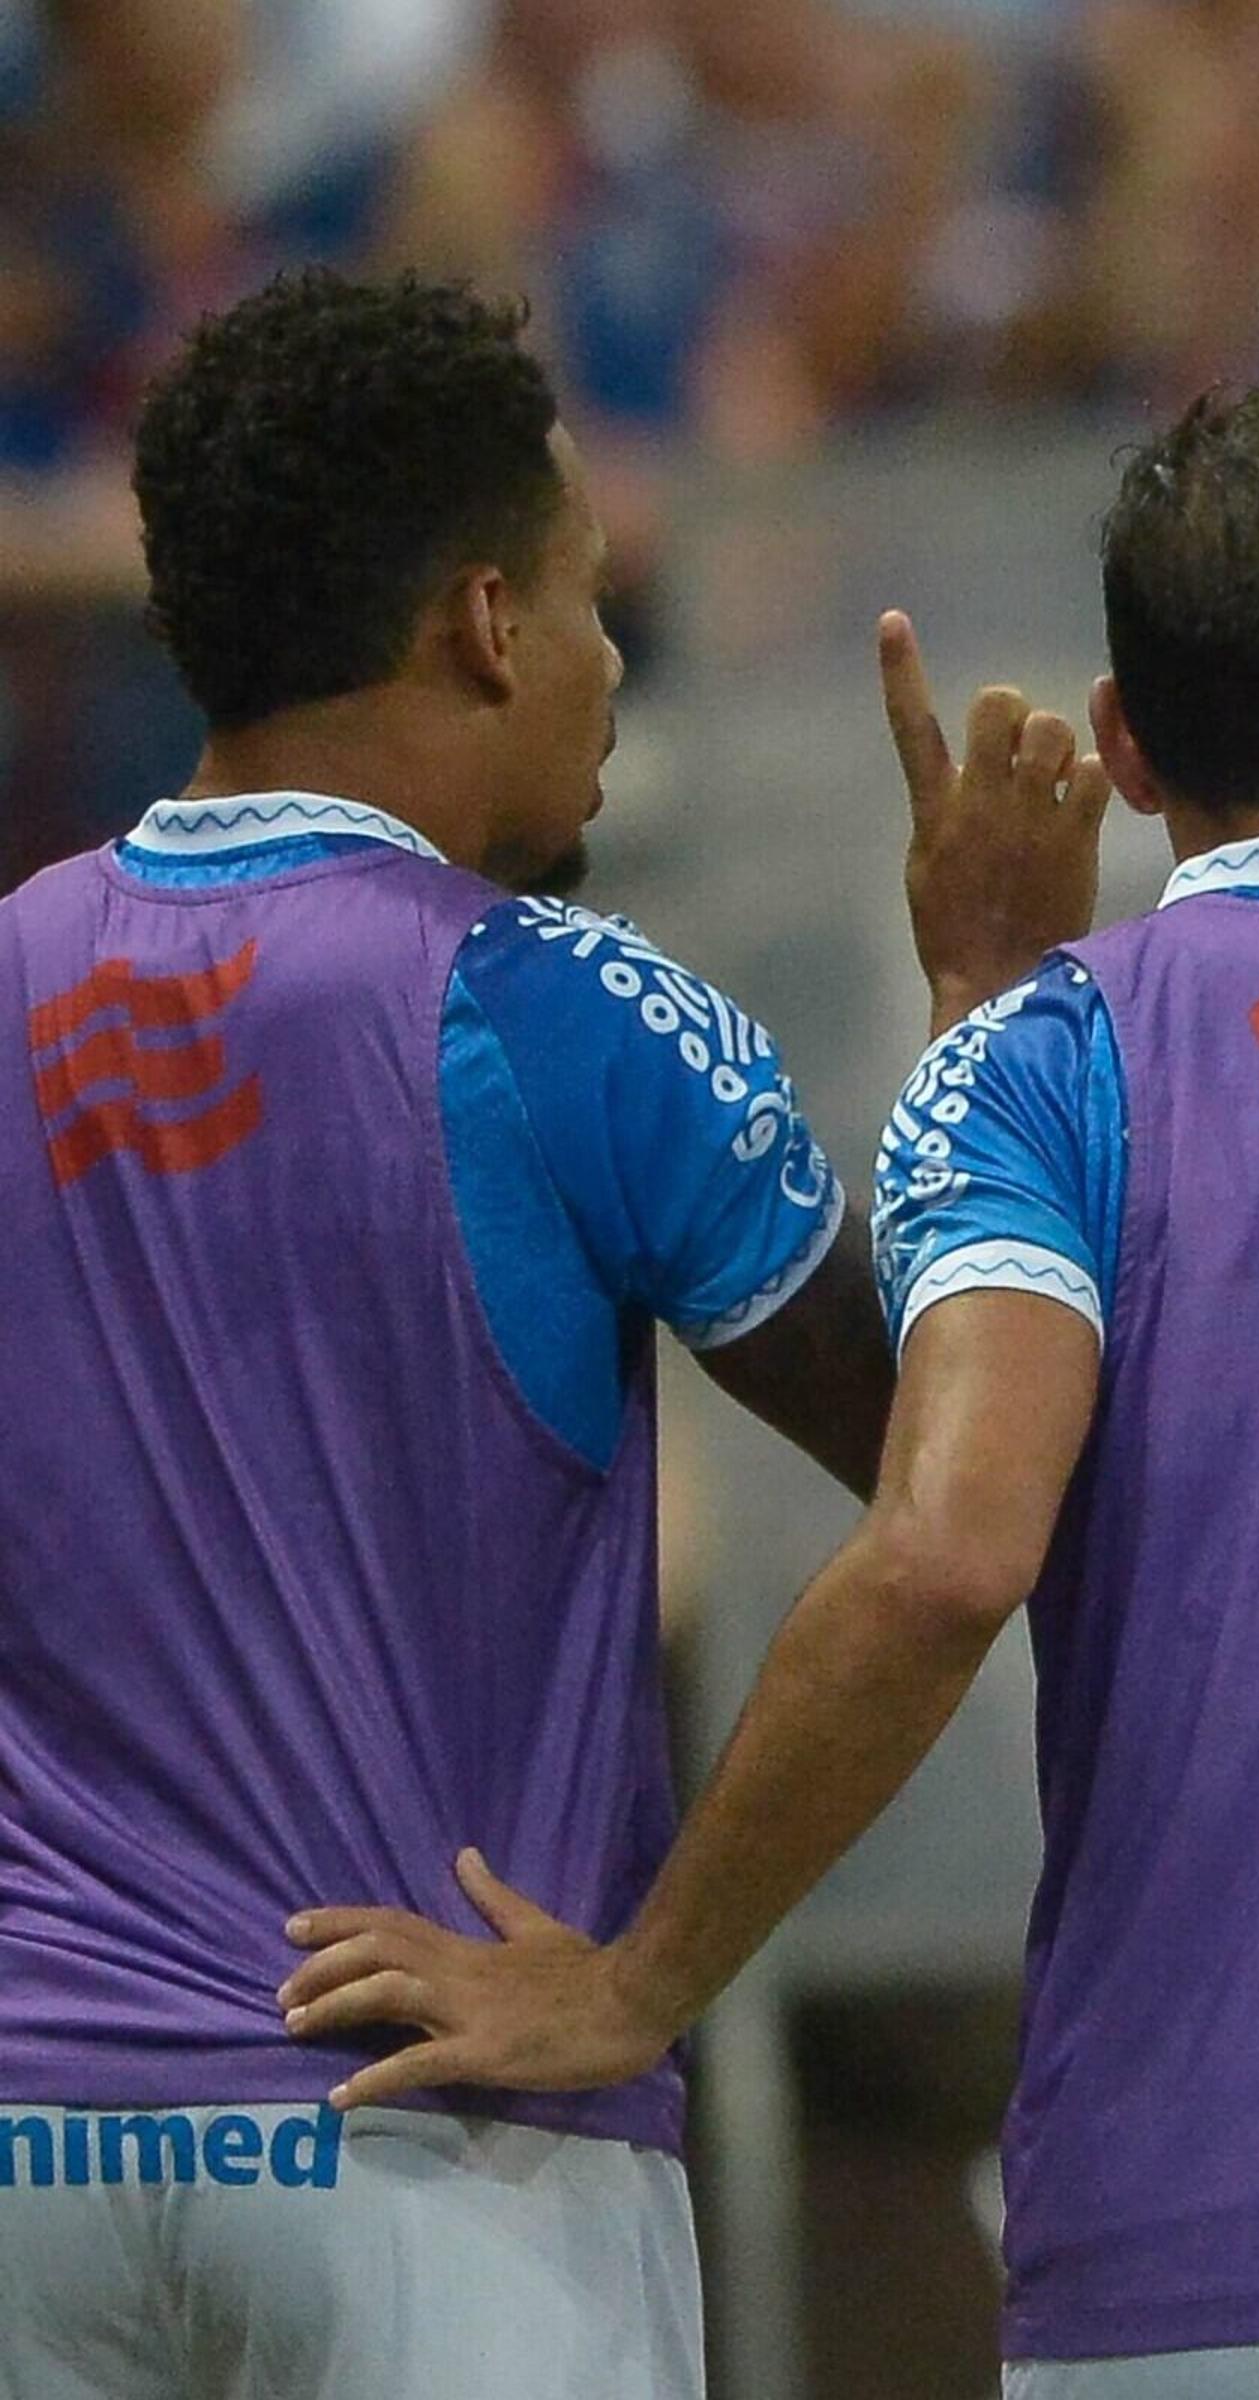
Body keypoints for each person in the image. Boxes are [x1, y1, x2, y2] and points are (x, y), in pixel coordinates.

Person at [282, 383, 1259, 2399]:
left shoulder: (1047, 1070)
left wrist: (639, 1983)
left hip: (1188, 2259)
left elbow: (951, 1549)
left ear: (1125, 745)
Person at [0, 270, 925, 2398]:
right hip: (441, 2142)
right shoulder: (555, 1004)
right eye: (597, 600)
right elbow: (962, 1480)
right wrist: (998, 1013)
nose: (612, 666)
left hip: (34, 2151)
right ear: (491, 626)